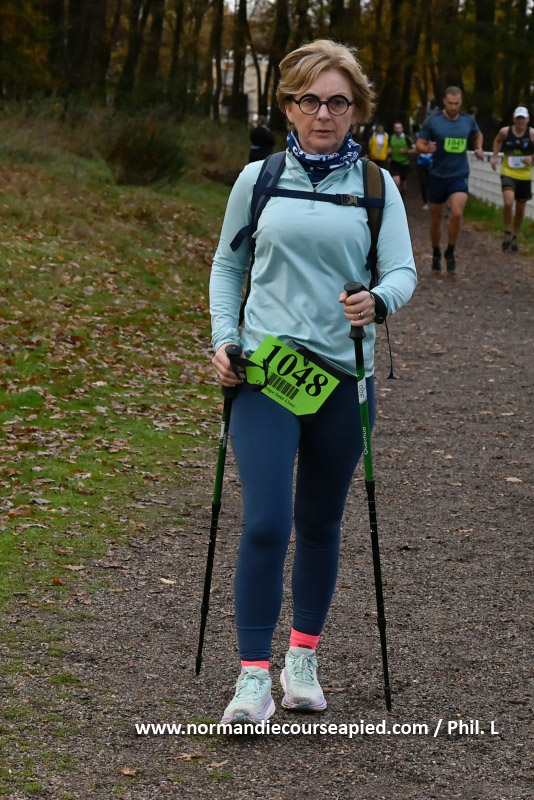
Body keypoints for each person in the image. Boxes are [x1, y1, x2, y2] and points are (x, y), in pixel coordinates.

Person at [209, 39, 417, 725]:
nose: (323, 113)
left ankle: (302, 660)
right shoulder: (258, 179)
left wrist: (377, 301)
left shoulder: (378, 187)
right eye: (310, 100)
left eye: (337, 102)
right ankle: (251, 678)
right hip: (266, 374)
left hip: (342, 379)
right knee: (266, 522)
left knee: (321, 522)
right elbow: (228, 267)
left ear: (356, 109)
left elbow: (402, 271)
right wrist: (223, 339)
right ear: (289, 106)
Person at [416, 86, 484, 276]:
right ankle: (436, 252)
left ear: (461, 102)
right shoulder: (434, 121)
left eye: (457, 103)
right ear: (444, 102)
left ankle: (450, 252)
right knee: (436, 218)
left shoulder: (468, 120)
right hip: (438, 175)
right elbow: (419, 143)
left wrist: (478, 147)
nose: (454, 107)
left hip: (459, 174)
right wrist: (427, 148)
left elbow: (477, 134)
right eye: (450, 103)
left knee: (456, 213)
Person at [491, 106, 534, 252]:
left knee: (520, 208)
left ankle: (515, 236)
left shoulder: (532, 134)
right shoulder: (505, 132)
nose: (520, 121)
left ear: (528, 119)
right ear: (514, 119)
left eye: (523, 118)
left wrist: (531, 158)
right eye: (518, 118)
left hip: (524, 175)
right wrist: (495, 157)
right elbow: (497, 141)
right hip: (508, 172)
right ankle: (507, 231)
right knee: (509, 202)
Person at [388, 121, 415, 198]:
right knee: (396, 181)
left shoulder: (407, 138)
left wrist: (406, 151)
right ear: (394, 129)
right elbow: (388, 147)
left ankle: (402, 195)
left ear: (402, 129)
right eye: (396, 128)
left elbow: (415, 150)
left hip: (404, 163)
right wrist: (389, 155)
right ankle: (396, 197)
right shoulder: (391, 137)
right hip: (394, 162)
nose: (397, 130)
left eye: (399, 128)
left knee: (403, 184)